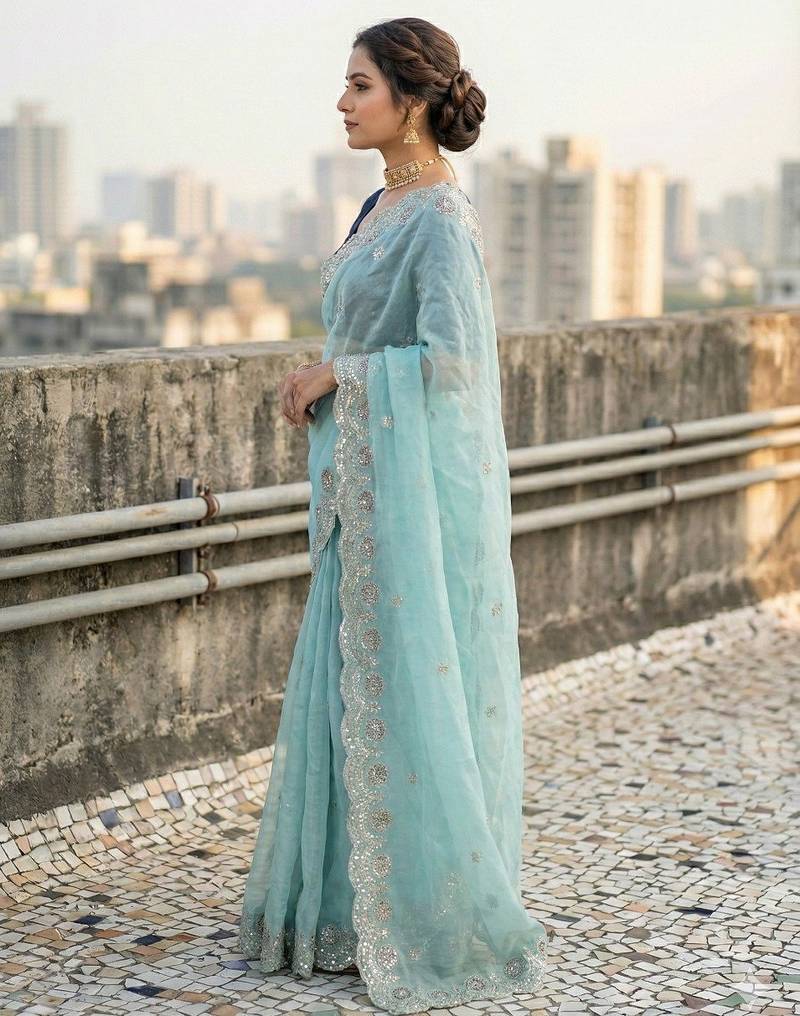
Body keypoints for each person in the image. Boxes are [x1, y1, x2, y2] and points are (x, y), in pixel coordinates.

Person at [237, 17, 549, 1014]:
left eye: (359, 84)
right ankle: (338, 910)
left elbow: (454, 362)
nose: (342, 102)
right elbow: (373, 331)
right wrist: (328, 371)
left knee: (405, 692)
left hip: (412, 505)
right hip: (360, 494)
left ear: (410, 101)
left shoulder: (440, 218)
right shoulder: (381, 203)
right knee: (349, 691)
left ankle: (419, 912)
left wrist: (342, 374)